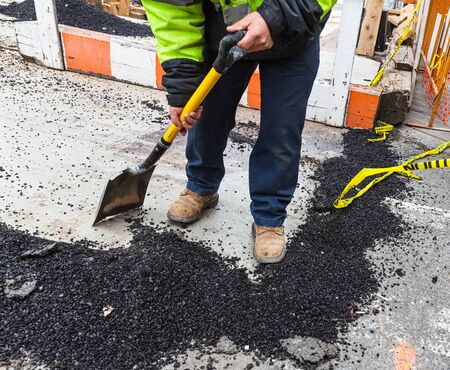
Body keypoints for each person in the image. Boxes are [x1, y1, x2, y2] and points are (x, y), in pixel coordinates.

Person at [141, 0, 336, 263]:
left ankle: (269, 216)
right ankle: (201, 186)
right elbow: (172, 8)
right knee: (210, 114)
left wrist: (276, 17)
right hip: (227, 26)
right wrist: (182, 81)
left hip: (294, 23)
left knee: (281, 129)